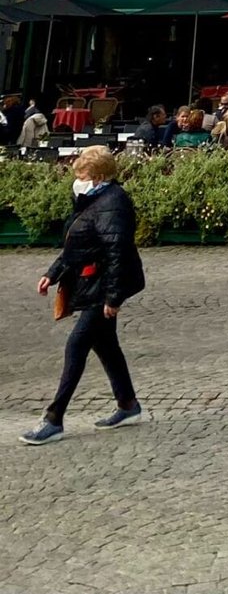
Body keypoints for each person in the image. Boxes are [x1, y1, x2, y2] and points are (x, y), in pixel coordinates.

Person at [23, 146, 145, 442]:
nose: (78, 179)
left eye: (84, 174)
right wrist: (52, 273)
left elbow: (117, 252)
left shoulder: (112, 203)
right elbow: (77, 244)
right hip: (93, 283)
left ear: (100, 176)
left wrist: (113, 298)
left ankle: (54, 418)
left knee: (76, 345)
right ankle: (127, 404)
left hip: (101, 288)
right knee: (106, 346)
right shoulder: (92, 199)